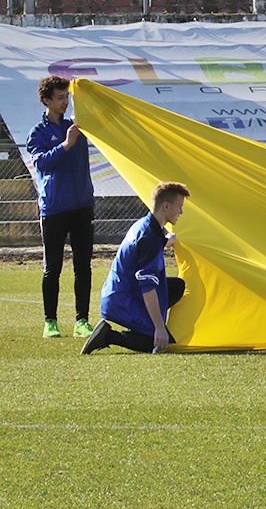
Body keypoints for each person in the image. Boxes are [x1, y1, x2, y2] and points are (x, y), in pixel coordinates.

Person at [81, 182, 191, 354]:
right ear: (166, 206)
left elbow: (154, 242)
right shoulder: (149, 238)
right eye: (180, 207)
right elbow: (147, 287)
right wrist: (159, 327)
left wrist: (168, 239)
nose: (181, 212)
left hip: (122, 291)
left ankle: (145, 325)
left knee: (177, 286)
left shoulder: (148, 226)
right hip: (123, 299)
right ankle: (108, 335)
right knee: (159, 343)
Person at [26, 75, 95, 339]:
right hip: (54, 208)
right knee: (52, 266)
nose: (65, 102)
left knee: (83, 266)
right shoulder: (39, 132)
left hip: (82, 206)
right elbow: (40, 163)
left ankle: (82, 321)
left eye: (67, 97)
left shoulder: (77, 127)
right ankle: (50, 322)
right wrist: (65, 145)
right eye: (60, 98)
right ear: (46, 100)